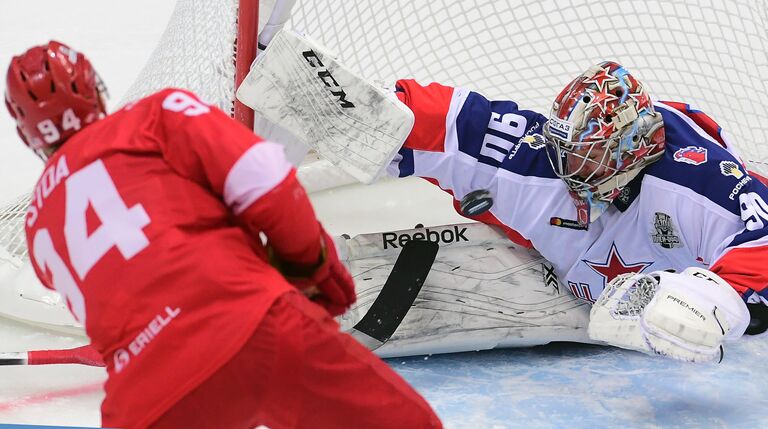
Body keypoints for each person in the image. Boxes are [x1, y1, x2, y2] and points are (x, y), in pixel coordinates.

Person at [4, 40, 442, 429]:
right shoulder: (156, 115)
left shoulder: (38, 226)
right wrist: (310, 264)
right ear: (95, 88)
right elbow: (268, 181)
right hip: (253, 326)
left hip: (146, 394)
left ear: (26, 130)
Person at [385, 61, 768, 359]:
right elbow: (463, 128)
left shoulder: (693, 182)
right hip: (575, 292)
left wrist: (717, 298)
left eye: (589, 155)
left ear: (630, 145)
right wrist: (378, 115)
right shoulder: (547, 163)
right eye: (567, 151)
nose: (569, 167)